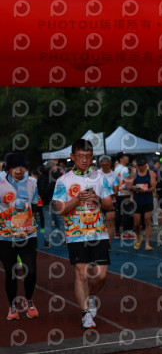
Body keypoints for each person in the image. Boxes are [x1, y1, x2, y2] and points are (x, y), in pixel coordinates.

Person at [53, 139, 113, 329]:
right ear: (72, 157)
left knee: (101, 275)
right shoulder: (63, 180)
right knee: (82, 273)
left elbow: (109, 205)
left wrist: (97, 198)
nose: (84, 160)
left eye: (88, 156)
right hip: (76, 234)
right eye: (80, 156)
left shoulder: (100, 178)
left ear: (92, 156)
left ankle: (91, 296)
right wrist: (77, 199)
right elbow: (60, 209)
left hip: (99, 233)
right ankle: (86, 314)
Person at [0, 153, 40, 320]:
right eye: (15, 167)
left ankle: (29, 300)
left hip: (28, 235)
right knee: (11, 272)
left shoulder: (32, 183)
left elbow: (34, 205)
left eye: (22, 167)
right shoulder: (1, 184)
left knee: (31, 271)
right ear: (8, 168)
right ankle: (13, 305)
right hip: (6, 237)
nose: (18, 170)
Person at [130, 156, 156, 251]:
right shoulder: (134, 173)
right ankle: (138, 237)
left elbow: (153, 187)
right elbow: (129, 186)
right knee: (137, 223)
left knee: (147, 220)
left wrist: (146, 190)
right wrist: (135, 188)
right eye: (139, 165)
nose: (140, 167)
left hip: (147, 199)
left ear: (145, 165)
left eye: (141, 165)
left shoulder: (150, 173)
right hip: (137, 200)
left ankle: (147, 243)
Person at [38, 160, 65, 248]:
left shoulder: (42, 176)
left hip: (47, 202)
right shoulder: (58, 176)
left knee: (48, 222)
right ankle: (64, 240)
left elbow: (40, 190)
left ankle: (47, 242)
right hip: (57, 201)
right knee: (61, 222)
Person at [97, 155, 117, 246]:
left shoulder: (114, 175)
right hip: (98, 202)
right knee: (99, 223)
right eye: (103, 165)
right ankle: (100, 242)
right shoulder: (96, 174)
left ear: (110, 164)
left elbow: (115, 191)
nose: (104, 166)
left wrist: (104, 195)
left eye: (106, 165)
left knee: (110, 221)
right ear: (100, 164)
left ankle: (108, 244)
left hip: (111, 201)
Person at [113, 152, 133, 239]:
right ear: (121, 159)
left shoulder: (116, 168)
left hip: (118, 194)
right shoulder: (125, 169)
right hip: (125, 193)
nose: (127, 157)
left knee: (119, 213)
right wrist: (131, 195)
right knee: (126, 213)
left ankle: (117, 232)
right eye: (125, 156)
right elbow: (128, 183)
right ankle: (125, 233)